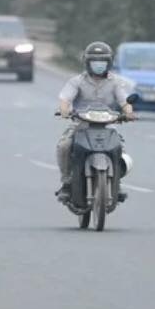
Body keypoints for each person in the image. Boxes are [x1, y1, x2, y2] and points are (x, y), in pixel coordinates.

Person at [55, 41, 136, 201]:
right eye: (95, 62)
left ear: (109, 63)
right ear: (87, 62)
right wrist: (65, 110)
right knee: (64, 146)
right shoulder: (76, 81)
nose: (99, 65)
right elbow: (65, 99)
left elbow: (125, 101)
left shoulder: (115, 82)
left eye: (103, 62)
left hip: (107, 125)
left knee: (120, 148)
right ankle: (66, 183)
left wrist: (128, 112)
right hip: (81, 125)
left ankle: (116, 184)